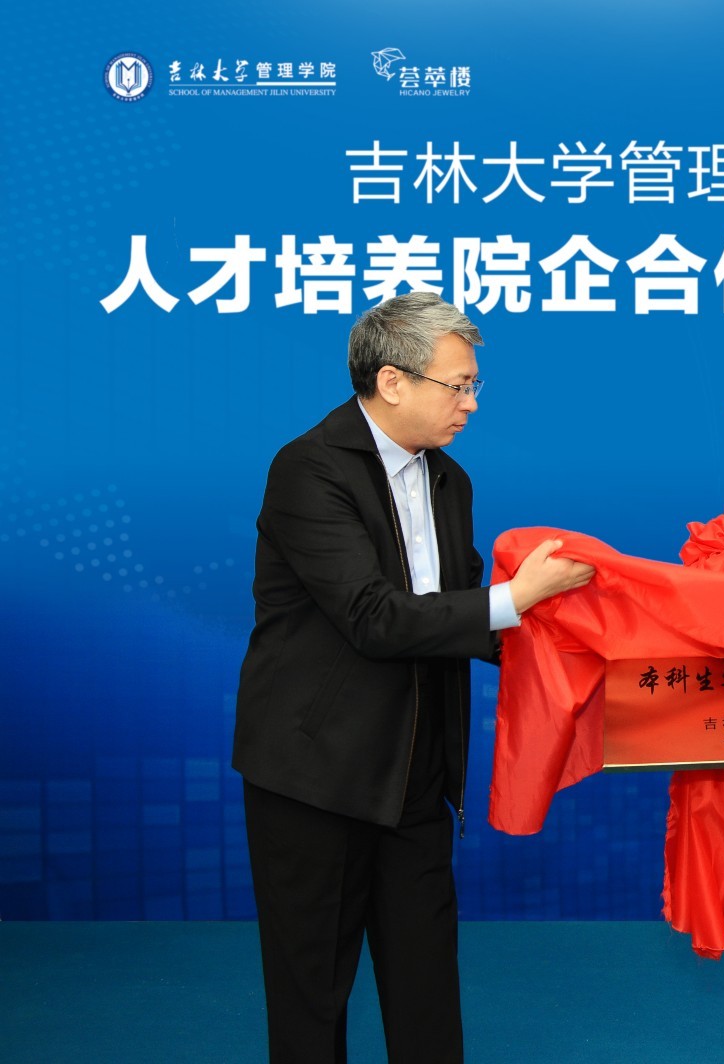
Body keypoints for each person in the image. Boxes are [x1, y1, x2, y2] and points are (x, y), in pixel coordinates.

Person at [233, 291, 593, 1063]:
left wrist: (579, 648)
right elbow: (373, 617)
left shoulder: (448, 480)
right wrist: (515, 598)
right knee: (311, 995)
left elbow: (458, 615)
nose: (471, 403)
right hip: (317, 777)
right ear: (391, 381)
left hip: (418, 775)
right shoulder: (308, 470)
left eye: (473, 385)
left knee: (426, 988)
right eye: (457, 385)